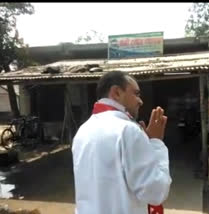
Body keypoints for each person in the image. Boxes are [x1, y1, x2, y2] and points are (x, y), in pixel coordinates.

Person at [72, 71, 172, 214]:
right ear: (116, 92)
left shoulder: (83, 131)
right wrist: (156, 143)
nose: (140, 101)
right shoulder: (128, 130)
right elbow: (156, 193)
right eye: (136, 94)